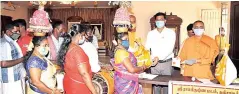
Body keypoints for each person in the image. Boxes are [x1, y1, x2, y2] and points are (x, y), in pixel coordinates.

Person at [58, 24, 97, 94]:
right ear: (79, 35)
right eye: (83, 35)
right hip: (78, 86)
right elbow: (84, 74)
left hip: (69, 82)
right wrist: (94, 91)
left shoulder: (67, 47)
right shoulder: (77, 50)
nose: (84, 38)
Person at [145, 12, 176, 94]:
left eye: (161, 19)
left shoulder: (171, 33)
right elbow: (147, 49)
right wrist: (148, 59)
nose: (159, 22)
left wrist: (158, 57)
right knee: (156, 86)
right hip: (154, 64)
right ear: (155, 21)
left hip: (167, 63)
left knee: (167, 86)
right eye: (157, 20)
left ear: (165, 21)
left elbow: (170, 49)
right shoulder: (151, 34)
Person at [1, 22, 26, 94]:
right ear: (8, 32)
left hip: (17, 76)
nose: (18, 33)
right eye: (16, 31)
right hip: (10, 79)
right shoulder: (4, 43)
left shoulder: (12, 42)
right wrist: (22, 59)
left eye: (18, 31)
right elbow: (3, 63)